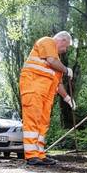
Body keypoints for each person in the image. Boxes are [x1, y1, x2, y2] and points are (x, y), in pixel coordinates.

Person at [20, 31, 76, 165]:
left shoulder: (57, 61)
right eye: (66, 46)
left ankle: (40, 154)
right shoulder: (48, 41)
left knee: (43, 123)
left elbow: (58, 84)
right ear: (62, 40)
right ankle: (31, 155)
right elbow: (51, 61)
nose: (65, 50)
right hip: (33, 88)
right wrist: (66, 70)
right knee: (32, 120)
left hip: (46, 96)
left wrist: (68, 98)